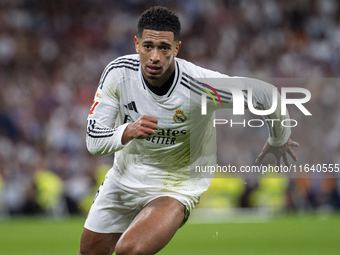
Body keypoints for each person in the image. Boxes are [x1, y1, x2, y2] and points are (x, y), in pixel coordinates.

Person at [79, 6, 299, 255]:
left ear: (176, 48)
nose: (155, 57)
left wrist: (279, 137)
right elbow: (93, 140)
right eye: (148, 46)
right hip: (123, 178)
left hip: (177, 185)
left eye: (164, 48)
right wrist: (127, 131)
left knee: (130, 250)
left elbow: (266, 95)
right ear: (136, 44)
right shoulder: (118, 74)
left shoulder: (200, 86)